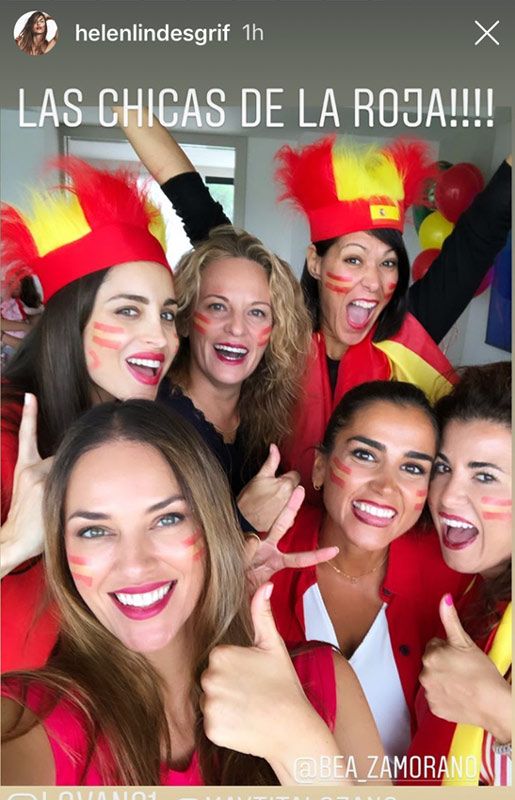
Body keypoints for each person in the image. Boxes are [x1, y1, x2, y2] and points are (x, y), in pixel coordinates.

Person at [118, 112, 511, 499]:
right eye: (354, 259)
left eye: (388, 262)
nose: (374, 282)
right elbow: (193, 200)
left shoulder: (411, 329)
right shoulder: (273, 314)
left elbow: (483, 230)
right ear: (316, 262)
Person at [1, 401, 385, 786]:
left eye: (167, 519)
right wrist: (10, 546)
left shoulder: (324, 681)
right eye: (94, 531)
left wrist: (298, 745)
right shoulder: (27, 720)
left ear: (211, 526)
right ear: (63, 552)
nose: (134, 565)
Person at [1, 157, 179, 670]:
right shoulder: (9, 433)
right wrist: (13, 542)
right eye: (128, 310)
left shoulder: (140, 433)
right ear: (70, 322)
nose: (160, 337)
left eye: (167, 314)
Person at [269, 380, 469, 761]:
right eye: (364, 455)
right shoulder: (262, 559)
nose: (385, 486)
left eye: (412, 468)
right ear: (320, 468)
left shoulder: (455, 576)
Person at [401, 362, 511, 787]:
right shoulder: (471, 586)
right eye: (443, 467)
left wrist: (501, 713)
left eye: (484, 475)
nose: (447, 496)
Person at [161, 225, 312, 531]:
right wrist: (243, 521)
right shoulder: (155, 423)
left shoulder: (263, 412)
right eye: (218, 307)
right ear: (187, 320)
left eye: (256, 313)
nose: (237, 328)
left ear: (274, 331)